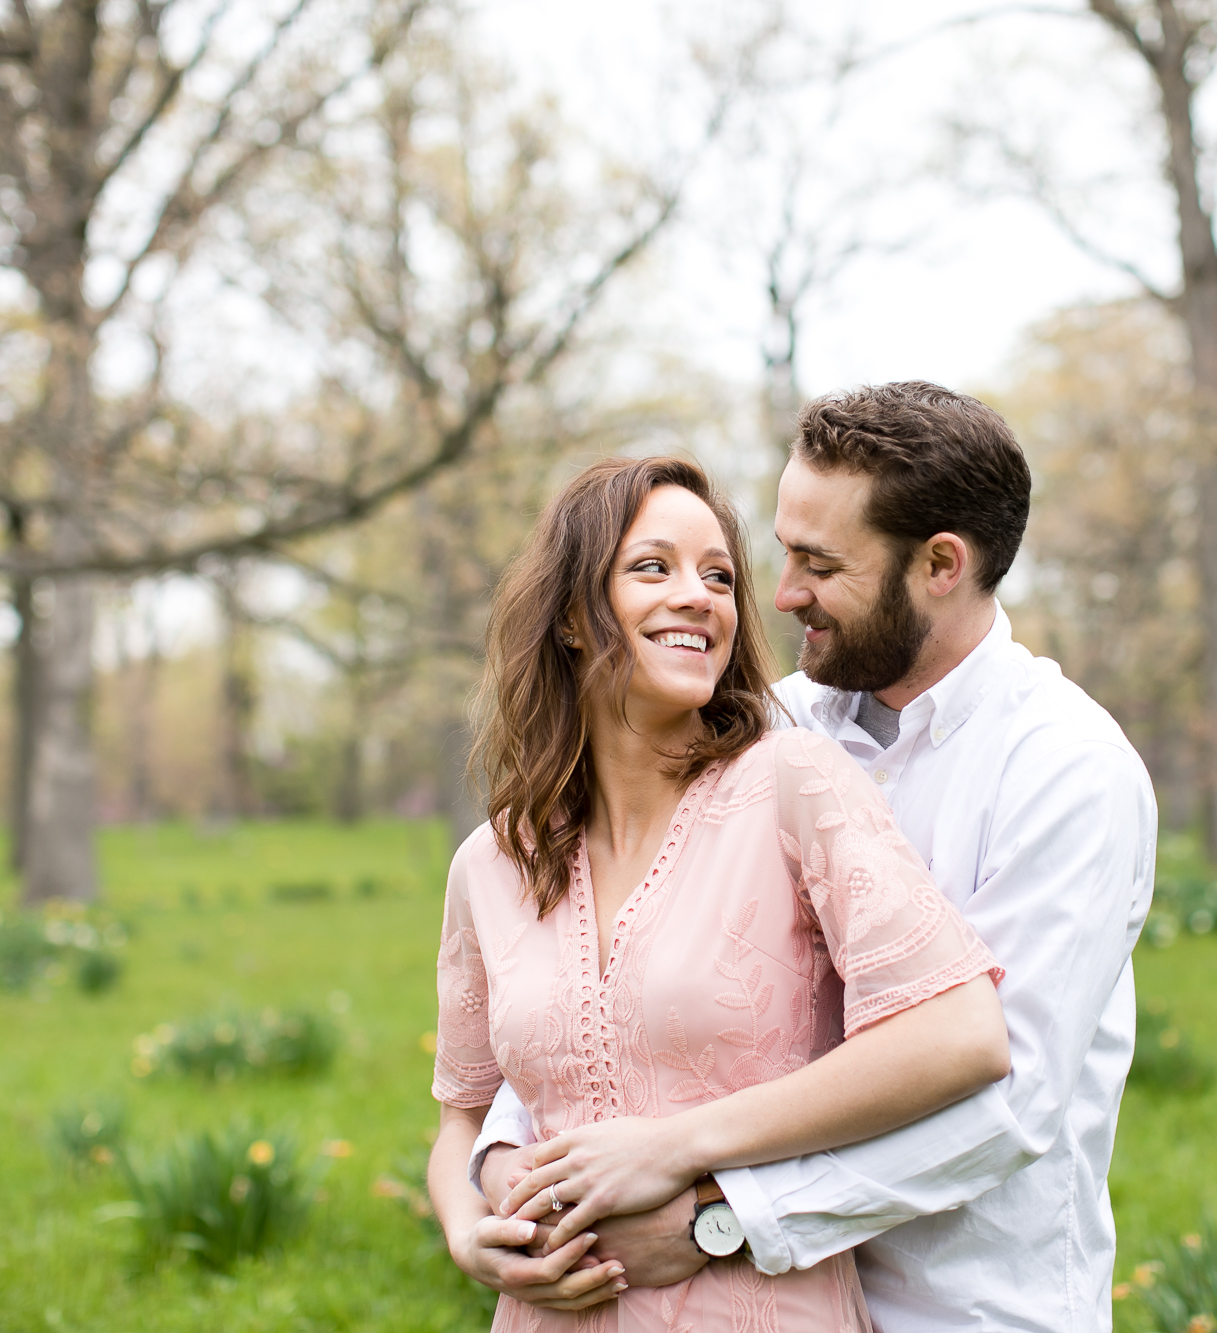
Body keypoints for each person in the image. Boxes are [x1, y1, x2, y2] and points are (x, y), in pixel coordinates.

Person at [466, 382, 1158, 1332]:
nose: (780, 593)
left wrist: (722, 1219)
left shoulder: (1068, 772)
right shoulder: (768, 731)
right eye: (783, 552)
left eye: (818, 564)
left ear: (940, 565)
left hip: (965, 1306)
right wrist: (499, 1167)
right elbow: (604, 998)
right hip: (753, 1295)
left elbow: (1008, 1094)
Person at [425, 454, 1010, 1330]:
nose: (700, 595)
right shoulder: (490, 863)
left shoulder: (792, 783)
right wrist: (468, 1231)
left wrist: (677, 1150)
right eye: (652, 567)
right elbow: (461, 1122)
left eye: (720, 575)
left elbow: (960, 1035)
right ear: (575, 617)